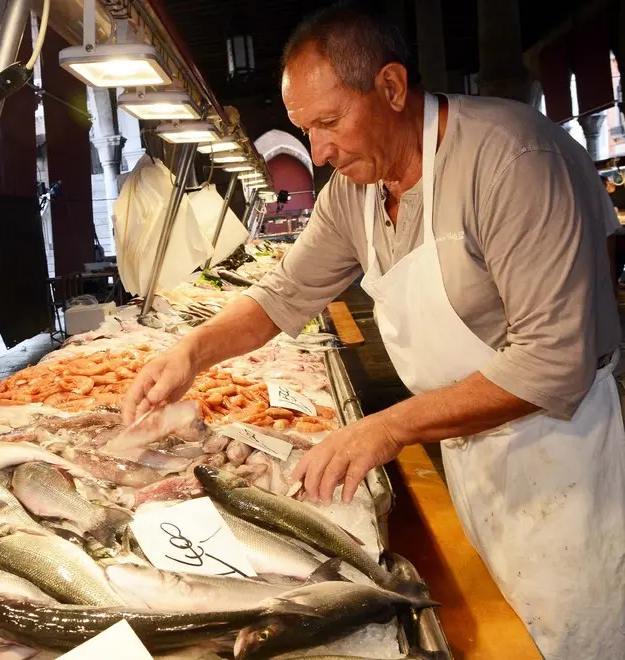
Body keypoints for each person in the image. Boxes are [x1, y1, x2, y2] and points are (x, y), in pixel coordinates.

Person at [124, 2, 625, 657]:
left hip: (559, 448)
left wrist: (385, 427)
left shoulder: (508, 158)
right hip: (464, 439)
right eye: (306, 130)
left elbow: (550, 363)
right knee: (496, 620)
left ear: (389, 88)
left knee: (568, 631)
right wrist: (191, 352)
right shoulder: (351, 193)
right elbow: (282, 296)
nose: (319, 152)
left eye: (329, 122)